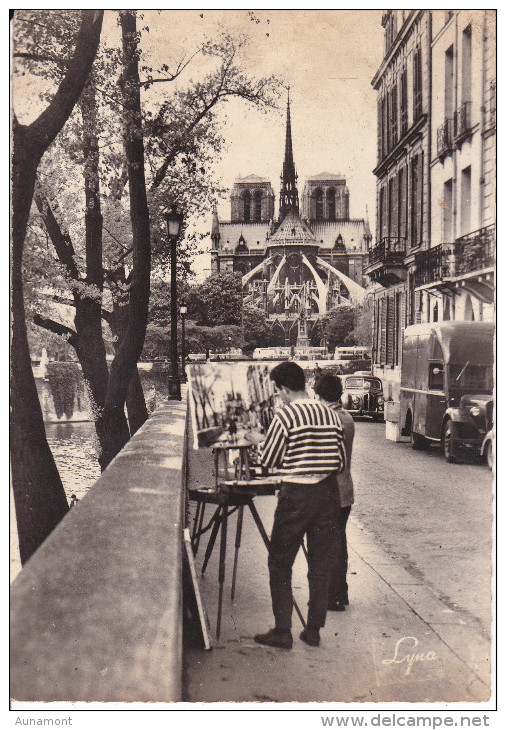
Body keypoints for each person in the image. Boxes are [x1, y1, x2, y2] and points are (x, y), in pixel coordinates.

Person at [254, 362, 346, 649]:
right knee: (319, 564)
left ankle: (283, 630)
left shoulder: (286, 415)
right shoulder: (331, 416)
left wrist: (260, 443)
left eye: (278, 391)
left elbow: (268, 461)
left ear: (282, 388)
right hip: (328, 495)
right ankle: (314, 630)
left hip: (296, 494)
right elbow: (341, 461)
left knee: (280, 562)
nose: (278, 397)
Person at [314, 373, 355, 612]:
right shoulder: (346, 417)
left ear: (320, 396)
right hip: (344, 490)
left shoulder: (328, 419)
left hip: (330, 491)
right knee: (338, 542)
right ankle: (339, 592)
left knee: (329, 545)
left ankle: (333, 596)